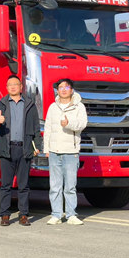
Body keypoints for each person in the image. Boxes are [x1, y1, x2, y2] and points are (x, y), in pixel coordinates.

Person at [0, 75, 40, 226]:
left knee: (23, 185)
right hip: (7, 148)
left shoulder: (30, 105)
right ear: (6, 88)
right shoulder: (2, 103)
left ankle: (23, 214)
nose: (12, 87)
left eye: (15, 84)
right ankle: (5, 215)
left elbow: (36, 128)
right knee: (6, 184)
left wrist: (37, 145)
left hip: (24, 148)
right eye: (9, 85)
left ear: (21, 87)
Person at [43, 78, 88, 226]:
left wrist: (69, 124)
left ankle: (71, 215)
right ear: (57, 90)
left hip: (71, 151)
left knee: (70, 186)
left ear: (72, 90)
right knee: (55, 185)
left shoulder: (79, 107)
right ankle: (56, 214)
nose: (63, 89)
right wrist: (46, 149)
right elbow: (48, 128)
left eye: (66, 87)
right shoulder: (52, 107)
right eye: (60, 87)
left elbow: (82, 125)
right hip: (54, 152)